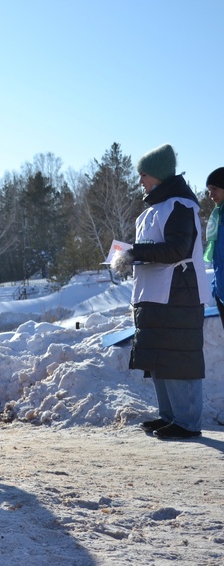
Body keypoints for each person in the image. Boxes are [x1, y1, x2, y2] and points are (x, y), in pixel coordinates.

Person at [110, 144, 210, 439]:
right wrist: (130, 254)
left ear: (158, 175)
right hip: (156, 294)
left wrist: (134, 252)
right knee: (161, 357)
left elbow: (178, 248)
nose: (140, 180)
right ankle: (170, 416)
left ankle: (187, 422)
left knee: (179, 357)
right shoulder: (154, 210)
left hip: (179, 292)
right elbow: (156, 249)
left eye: (144, 174)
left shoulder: (179, 205)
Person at [204, 167, 224, 329]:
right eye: (209, 190)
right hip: (221, 291)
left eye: (214, 189)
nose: (211, 194)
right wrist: (216, 289)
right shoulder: (217, 215)